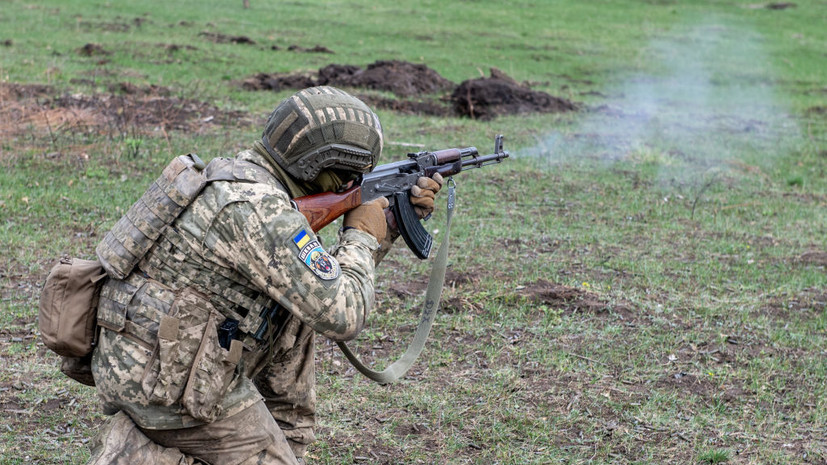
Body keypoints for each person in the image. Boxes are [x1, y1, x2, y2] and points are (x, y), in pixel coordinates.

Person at [86, 86, 443, 465]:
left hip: (155, 356)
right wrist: (362, 235)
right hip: (168, 386)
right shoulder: (261, 210)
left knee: (297, 318)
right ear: (317, 166)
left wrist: (385, 226)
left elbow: (317, 285)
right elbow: (343, 315)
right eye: (350, 174)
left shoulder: (243, 176)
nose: (352, 183)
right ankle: (136, 453)